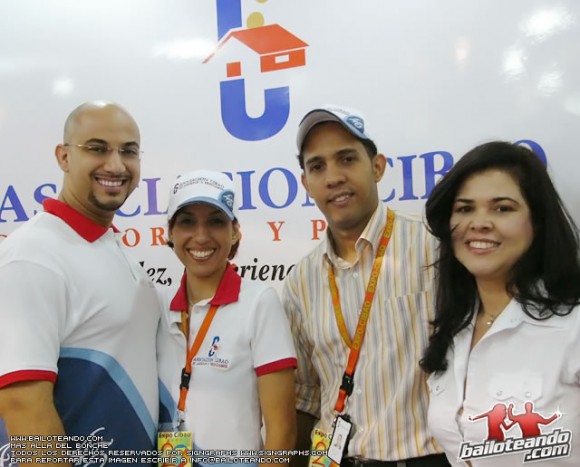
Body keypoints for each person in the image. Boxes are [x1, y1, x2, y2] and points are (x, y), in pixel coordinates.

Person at [283, 105, 448, 466]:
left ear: (377, 167)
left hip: (423, 458)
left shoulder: (432, 247)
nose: (333, 178)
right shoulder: (300, 281)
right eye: (317, 167)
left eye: (346, 159)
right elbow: (306, 397)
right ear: (306, 183)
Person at [0, 102, 161, 464]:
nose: (116, 165)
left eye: (129, 151)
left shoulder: (110, 246)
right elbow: (22, 403)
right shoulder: (33, 255)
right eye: (97, 148)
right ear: (64, 157)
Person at [421, 141, 580, 466]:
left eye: (502, 208)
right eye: (465, 209)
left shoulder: (573, 326)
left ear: (537, 222)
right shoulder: (454, 328)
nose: (479, 223)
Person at [157, 170, 297, 465]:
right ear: (169, 233)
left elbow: (282, 431)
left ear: (234, 232)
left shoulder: (259, 302)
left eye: (216, 221)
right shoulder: (157, 305)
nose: (201, 236)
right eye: (187, 222)